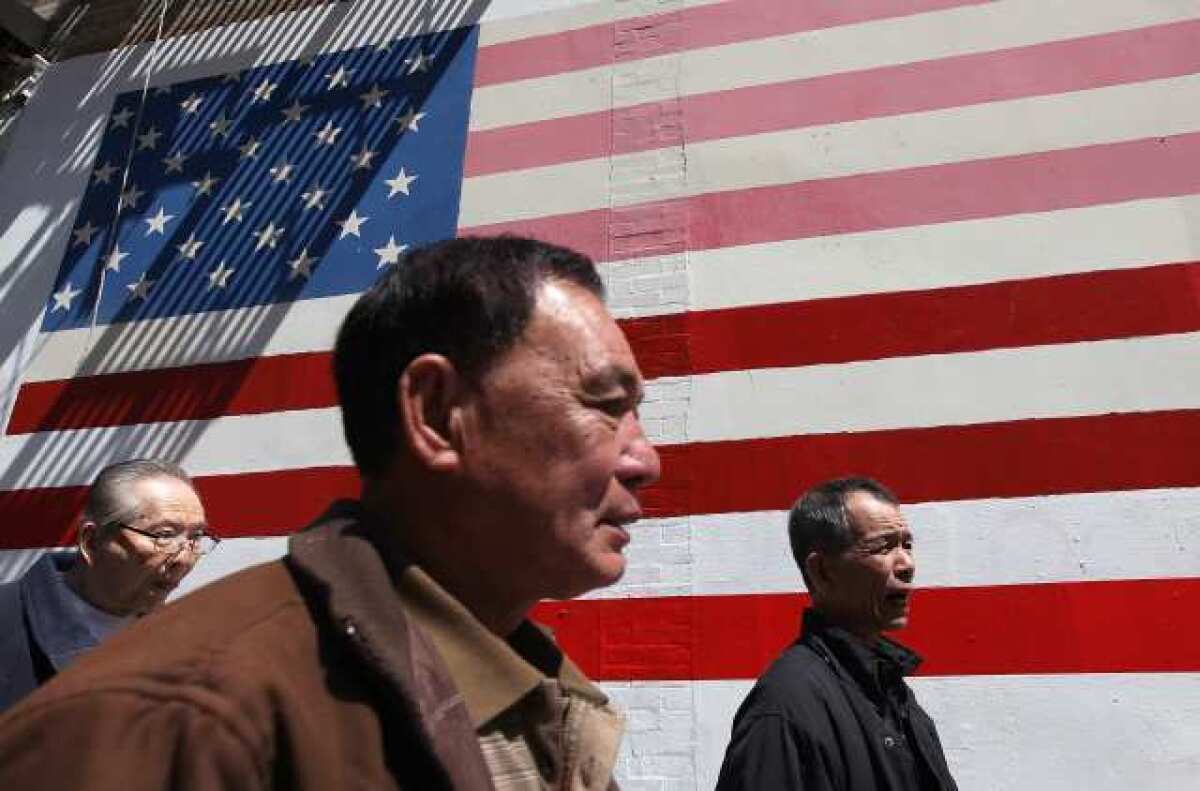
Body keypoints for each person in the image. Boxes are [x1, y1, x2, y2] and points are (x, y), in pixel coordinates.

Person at [0, 236, 661, 791]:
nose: (644, 460)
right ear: (436, 414)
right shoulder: (168, 726)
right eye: (604, 403)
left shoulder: (547, 705)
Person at [716, 477, 958, 791]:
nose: (907, 564)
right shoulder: (784, 709)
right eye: (883, 547)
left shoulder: (892, 694)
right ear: (822, 572)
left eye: (906, 544)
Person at [0, 458, 213, 713]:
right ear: (91, 542)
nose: (184, 558)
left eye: (196, 537)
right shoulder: (8, 620)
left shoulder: (192, 649)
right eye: (164, 535)